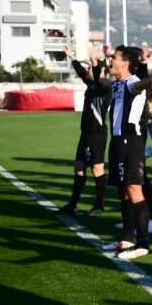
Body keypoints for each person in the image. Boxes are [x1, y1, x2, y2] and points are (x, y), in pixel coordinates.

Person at [100, 46, 152, 260]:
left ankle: (143, 243)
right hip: (116, 143)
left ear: (124, 63)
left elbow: (139, 85)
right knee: (123, 191)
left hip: (130, 142)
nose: (110, 60)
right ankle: (128, 237)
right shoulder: (116, 83)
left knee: (134, 189)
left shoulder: (133, 83)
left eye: (114, 58)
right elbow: (100, 81)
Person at [56, 44, 110, 216]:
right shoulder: (91, 86)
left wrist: (95, 60)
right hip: (85, 132)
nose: (87, 70)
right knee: (79, 167)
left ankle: (99, 205)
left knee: (97, 169)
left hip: (97, 134)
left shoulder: (104, 88)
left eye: (91, 68)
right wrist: (71, 56)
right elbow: (81, 71)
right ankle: (72, 205)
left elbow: (97, 73)